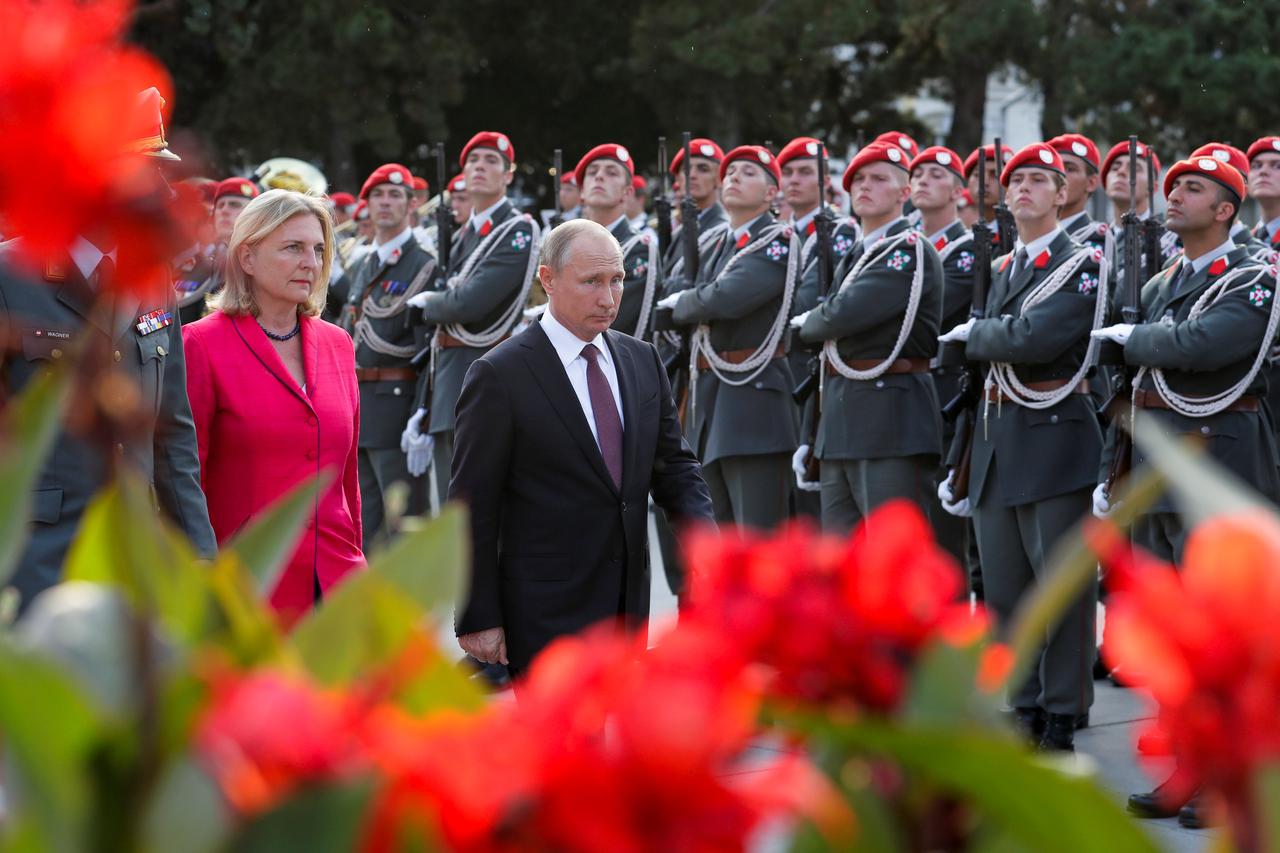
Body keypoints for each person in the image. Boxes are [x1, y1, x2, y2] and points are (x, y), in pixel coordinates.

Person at [1092, 156, 1280, 828]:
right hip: (1157, 466)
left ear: (1226, 209)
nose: (1175, 195)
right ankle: (1183, 768)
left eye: (1192, 188)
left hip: (1217, 464)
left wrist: (1135, 338)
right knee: (1173, 637)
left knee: (1216, 636)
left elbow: (1204, 344)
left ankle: (1230, 780)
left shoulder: (1256, 277)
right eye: (1173, 186)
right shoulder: (1167, 275)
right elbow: (1135, 381)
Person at [450, 219, 714, 675]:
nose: (609, 298)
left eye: (617, 280)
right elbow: (473, 504)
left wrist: (710, 550)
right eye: (592, 281)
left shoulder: (641, 360)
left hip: (626, 603)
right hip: (543, 609)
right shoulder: (501, 373)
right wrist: (478, 614)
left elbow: (675, 468)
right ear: (547, 279)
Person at [0, 86, 216, 611]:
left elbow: (172, 436)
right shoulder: (11, 274)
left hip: (133, 556)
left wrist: (204, 566)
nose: (161, 191)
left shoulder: (150, 278)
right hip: (40, 556)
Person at [938, 142, 1104, 752]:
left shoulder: (1082, 263)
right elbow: (986, 360)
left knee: (1058, 587)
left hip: (1053, 438)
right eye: (1017, 181)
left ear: (1063, 193)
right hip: (996, 440)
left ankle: (1063, 710)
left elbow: (1039, 337)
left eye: (1041, 180)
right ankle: (1023, 701)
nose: (1026, 189)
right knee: (1005, 590)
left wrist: (976, 336)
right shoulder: (1006, 266)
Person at [184, 190, 362, 623]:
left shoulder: (338, 344)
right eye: (293, 248)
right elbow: (187, 477)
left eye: (319, 250)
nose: (312, 263)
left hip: (339, 586)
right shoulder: (200, 344)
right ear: (247, 258)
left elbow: (348, 479)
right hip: (247, 589)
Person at [794, 141, 943, 532]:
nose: (865, 186)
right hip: (843, 422)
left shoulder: (907, 249)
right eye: (858, 179)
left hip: (891, 422)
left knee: (893, 563)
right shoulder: (857, 254)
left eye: (879, 179)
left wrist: (814, 321)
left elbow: (840, 315)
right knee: (843, 569)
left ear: (904, 193)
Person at [659, 144, 799, 531]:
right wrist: (689, 298)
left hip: (752, 402)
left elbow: (727, 298)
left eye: (748, 173)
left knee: (758, 540)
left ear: (772, 193)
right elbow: (674, 288)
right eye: (731, 171)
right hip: (710, 399)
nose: (734, 177)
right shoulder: (716, 241)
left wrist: (685, 302)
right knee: (720, 538)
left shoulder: (777, 239)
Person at [406, 131, 540, 512]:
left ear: (508, 175)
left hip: (483, 372)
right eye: (473, 162)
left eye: (491, 162)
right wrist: (424, 403)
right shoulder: (466, 231)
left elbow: (471, 302)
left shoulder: (516, 230)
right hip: (449, 375)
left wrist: (431, 302)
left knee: (479, 507)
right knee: (453, 507)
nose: (480, 168)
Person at [332, 163, 436, 544]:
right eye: (378, 195)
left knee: (401, 525)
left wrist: (423, 410)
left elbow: (427, 347)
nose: (386, 203)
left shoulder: (423, 263)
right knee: (365, 522)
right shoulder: (366, 262)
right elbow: (351, 324)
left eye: (395, 195)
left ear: (411, 205)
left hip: (397, 406)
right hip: (361, 405)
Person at [775, 136, 861, 520]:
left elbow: (805, 302)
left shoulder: (839, 232)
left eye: (805, 172)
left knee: (811, 506)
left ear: (825, 181)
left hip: (811, 371)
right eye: (788, 172)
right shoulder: (780, 235)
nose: (794, 180)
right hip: (778, 374)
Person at [908, 145, 976, 569]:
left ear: (958, 191)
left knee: (943, 535)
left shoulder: (965, 250)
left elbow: (922, 312)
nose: (924, 182)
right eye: (917, 175)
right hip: (907, 393)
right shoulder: (904, 244)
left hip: (943, 392)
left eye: (936, 174)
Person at [575, 143, 660, 340]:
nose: (599, 176)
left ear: (627, 192)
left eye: (611, 173)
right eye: (592, 172)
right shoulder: (568, 245)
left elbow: (610, 317)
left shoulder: (639, 248)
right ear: (581, 192)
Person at [177, 177, 260, 325]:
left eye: (234, 205)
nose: (224, 211)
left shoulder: (261, 266)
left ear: (254, 215)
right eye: (220, 205)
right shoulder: (196, 263)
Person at [1047, 134, 1108, 253]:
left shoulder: (1096, 241)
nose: (1059, 176)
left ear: (1091, 183)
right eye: (1054, 168)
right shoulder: (1031, 235)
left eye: (1070, 169)